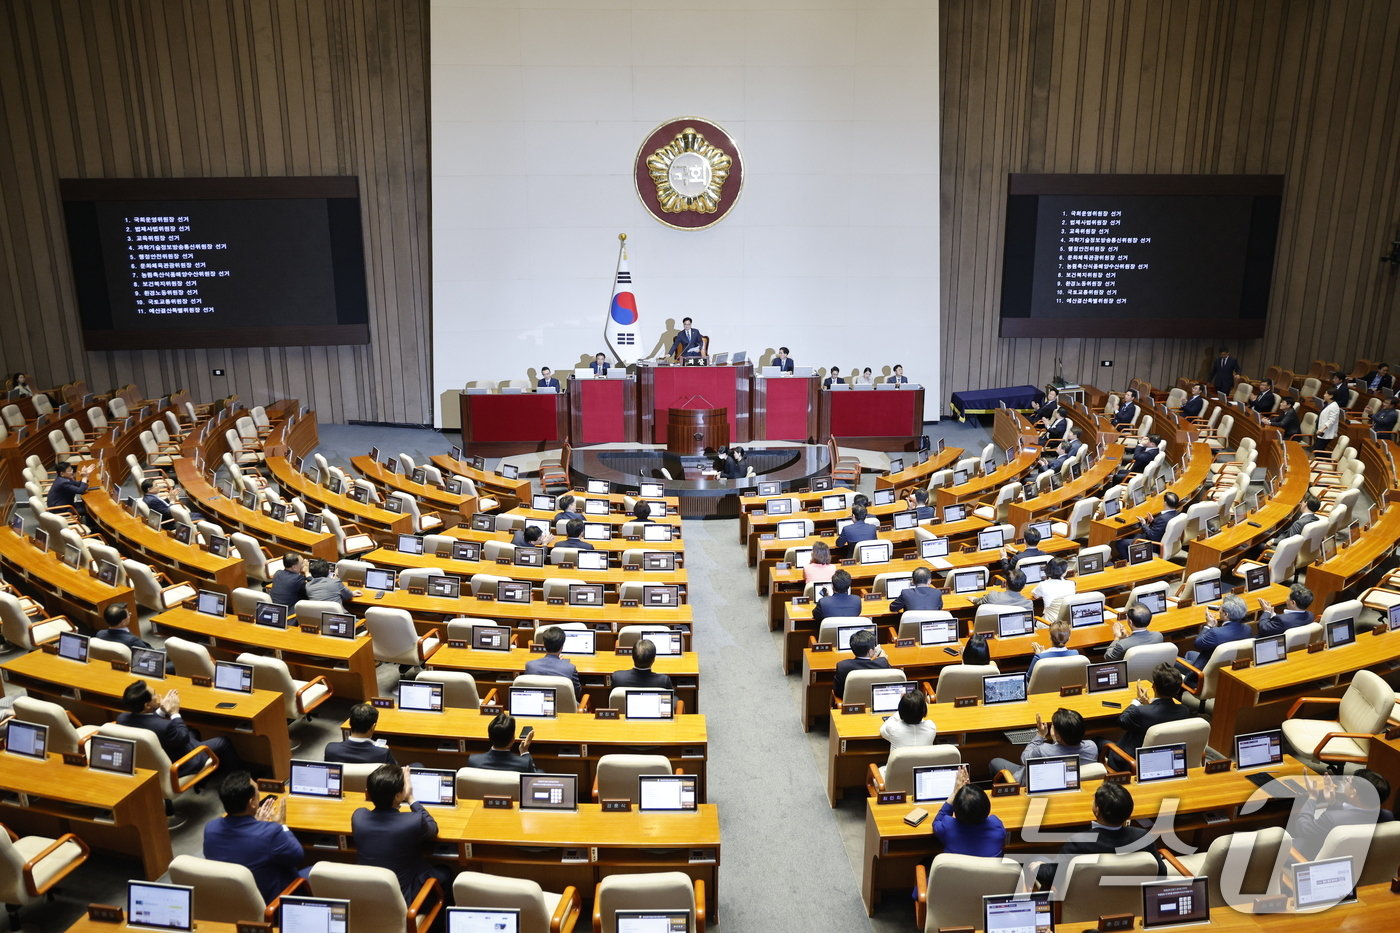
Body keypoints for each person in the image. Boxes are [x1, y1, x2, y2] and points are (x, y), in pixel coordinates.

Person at [203, 771, 307, 902]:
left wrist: (258, 825)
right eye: (258, 793)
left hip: (236, 899)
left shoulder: (210, 829)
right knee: (315, 872)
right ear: (252, 802)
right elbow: (297, 856)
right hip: (273, 901)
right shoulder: (272, 833)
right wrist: (281, 825)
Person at [352, 765, 451, 899]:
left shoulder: (359, 817)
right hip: (405, 899)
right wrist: (411, 798)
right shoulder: (413, 821)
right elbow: (433, 829)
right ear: (399, 795)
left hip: (368, 895)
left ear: (368, 793)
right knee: (446, 872)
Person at [1035, 782, 1159, 888]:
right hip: (1133, 904)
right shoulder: (1143, 837)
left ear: (1097, 810)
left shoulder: (1079, 842)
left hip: (1083, 907)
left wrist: (1036, 867)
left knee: (1035, 860)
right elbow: (1161, 871)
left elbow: (1052, 876)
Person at [118, 681, 235, 775]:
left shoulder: (122, 719)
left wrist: (162, 710)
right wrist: (174, 713)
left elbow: (147, 721)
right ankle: (235, 778)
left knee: (193, 731)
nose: (158, 695)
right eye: (154, 694)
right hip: (181, 762)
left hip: (157, 756)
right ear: (147, 705)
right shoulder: (165, 726)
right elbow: (183, 738)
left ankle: (206, 777)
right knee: (223, 742)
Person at [1293, 769, 1396, 859]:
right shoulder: (1389, 817)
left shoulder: (1332, 819)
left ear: (1353, 793)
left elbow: (1304, 829)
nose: (1345, 782)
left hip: (1313, 857)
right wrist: (1332, 802)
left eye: (1348, 781)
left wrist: (1312, 797)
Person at [1108, 663, 1191, 770]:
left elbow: (1122, 720)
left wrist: (1138, 701)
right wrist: (1149, 705)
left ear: (1154, 686)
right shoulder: (1184, 711)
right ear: (1178, 690)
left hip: (1130, 762)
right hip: (1167, 760)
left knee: (1100, 741)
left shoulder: (1140, 712)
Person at [990, 708, 1097, 783]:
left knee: (995, 762)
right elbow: (1066, 750)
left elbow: (1024, 759)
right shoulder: (1092, 747)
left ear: (1059, 736)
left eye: (1053, 727)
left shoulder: (1042, 751)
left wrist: (1040, 735)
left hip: (1033, 783)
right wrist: (1057, 741)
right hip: (1069, 785)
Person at [933, 767, 1006, 857]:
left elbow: (936, 822)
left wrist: (955, 793)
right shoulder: (996, 826)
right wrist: (970, 791)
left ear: (955, 810)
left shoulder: (947, 827)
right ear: (987, 807)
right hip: (990, 871)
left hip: (956, 871)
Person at [1182, 594, 1253, 669]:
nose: (1219, 610)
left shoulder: (1215, 633)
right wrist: (1215, 629)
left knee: (1173, 659)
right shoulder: (1247, 629)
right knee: (1189, 654)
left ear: (1226, 614)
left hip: (1202, 672)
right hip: (1227, 666)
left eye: (1221, 609)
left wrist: (1208, 626)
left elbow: (1197, 644)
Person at [324, 703, 397, 765]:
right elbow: (397, 774)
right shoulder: (383, 753)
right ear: (373, 727)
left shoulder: (331, 749)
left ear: (350, 723)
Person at [465, 712, 538, 773]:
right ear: (512, 739)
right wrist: (524, 752)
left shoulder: (473, 761)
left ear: (489, 737)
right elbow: (532, 778)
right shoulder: (524, 764)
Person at [1117, 492, 1181, 560]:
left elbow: (1152, 536)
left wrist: (1144, 524)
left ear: (1165, 503)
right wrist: (1153, 521)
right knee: (1131, 535)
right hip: (1164, 540)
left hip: (1154, 545)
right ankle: (1133, 555)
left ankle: (1130, 563)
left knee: (1120, 543)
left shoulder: (1163, 518)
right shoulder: (1176, 514)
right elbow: (1161, 527)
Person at [524, 626, 582, 699]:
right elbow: (577, 693)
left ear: (544, 645)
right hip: (564, 708)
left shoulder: (530, 666)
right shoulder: (570, 668)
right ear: (562, 646)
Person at [833, 629, 888, 697]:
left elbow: (838, 692)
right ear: (870, 651)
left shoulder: (842, 666)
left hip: (852, 702)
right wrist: (883, 658)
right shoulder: (882, 663)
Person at [610, 638, 674, 691]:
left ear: (632, 657)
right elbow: (671, 698)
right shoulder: (663, 680)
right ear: (653, 660)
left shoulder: (617, 677)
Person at [1315, 386, 1341, 451]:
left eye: (1326, 394)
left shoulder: (1334, 407)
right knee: (1318, 449)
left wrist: (1322, 429)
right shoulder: (1327, 404)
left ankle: (1331, 459)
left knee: (1318, 450)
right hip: (1322, 431)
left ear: (1331, 396)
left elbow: (1331, 420)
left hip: (1326, 432)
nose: (1324, 395)